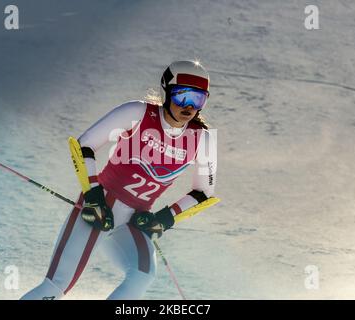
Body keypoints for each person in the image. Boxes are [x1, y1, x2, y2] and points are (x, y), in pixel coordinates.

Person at [21, 60, 217, 300]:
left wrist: (164, 218)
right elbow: (85, 145)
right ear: (166, 92)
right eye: (181, 96)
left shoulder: (203, 140)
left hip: (135, 220)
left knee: (142, 275)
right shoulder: (137, 112)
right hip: (99, 209)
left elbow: (203, 192)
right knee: (56, 286)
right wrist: (93, 196)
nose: (188, 107)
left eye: (198, 100)